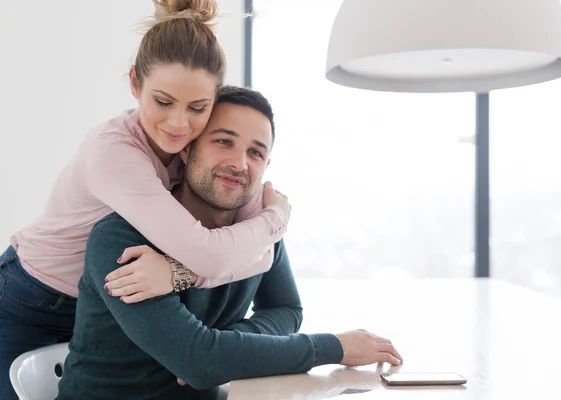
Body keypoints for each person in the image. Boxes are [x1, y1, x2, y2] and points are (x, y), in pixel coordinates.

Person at [0, 1, 290, 398]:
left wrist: (178, 273)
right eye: (163, 101)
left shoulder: (197, 159)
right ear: (135, 83)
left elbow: (262, 258)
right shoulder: (114, 153)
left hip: (106, 297)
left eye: (198, 108)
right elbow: (215, 256)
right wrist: (275, 220)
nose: (178, 124)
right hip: (27, 299)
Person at [57, 86, 403, 400]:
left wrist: (229, 342)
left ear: (265, 165)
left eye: (255, 152)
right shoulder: (120, 238)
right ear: (187, 150)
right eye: (223, 141)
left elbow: (286, 310)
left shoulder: (259, 234)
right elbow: (198, 363)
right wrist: (335, 347)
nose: (239, 164)